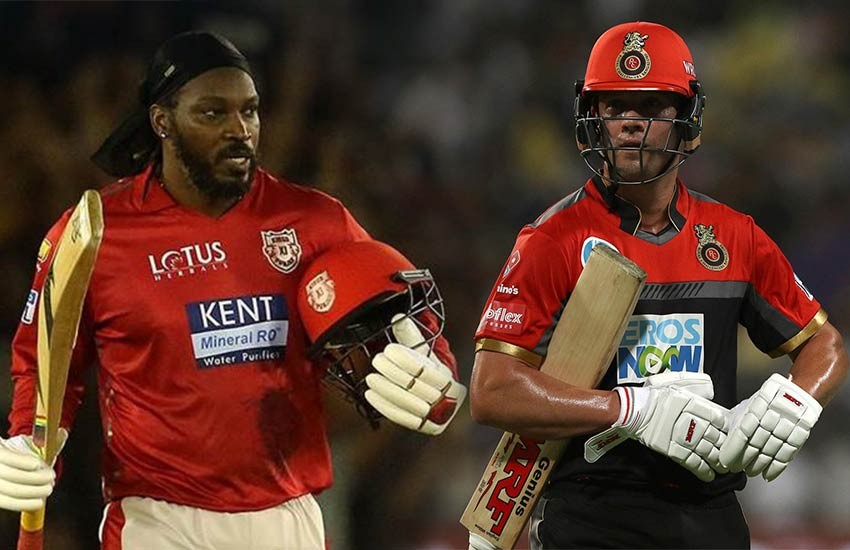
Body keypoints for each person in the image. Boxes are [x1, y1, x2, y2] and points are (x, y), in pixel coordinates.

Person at [0, 31, 466, 549]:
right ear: (162, 121)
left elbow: (399, 306)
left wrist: (437, 369)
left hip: (286, 515)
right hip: (157, 519)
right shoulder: (95, 232)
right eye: (212, 113)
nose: (240, 130)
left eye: (250, 111)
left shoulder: (315, 220)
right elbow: (43, 361)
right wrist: (28, 438)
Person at [468, 21, 848, 549]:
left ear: (686, 118)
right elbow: (492, 391)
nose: (629, 123)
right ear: (592, 116)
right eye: (614, 106)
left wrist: (794, 402)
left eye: (650, 107)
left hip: (710, 516)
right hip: (590, 517)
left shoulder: (735, 236)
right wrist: (631, 411)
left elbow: (824, 345)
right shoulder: (551, 240)